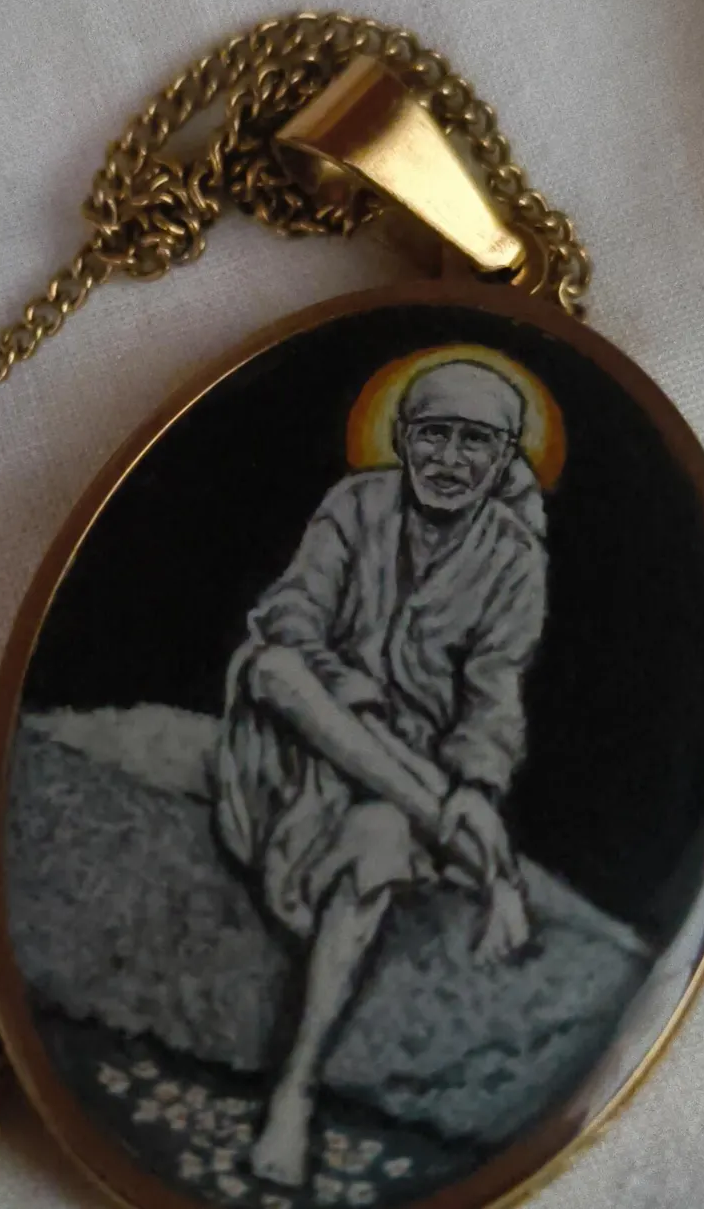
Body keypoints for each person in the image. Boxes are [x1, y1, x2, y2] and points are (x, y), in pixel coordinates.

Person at [213, 359, 548, 1186]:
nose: (449, 458)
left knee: (381, 839)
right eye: (433, 433)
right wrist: (351, 694)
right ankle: (486, 863)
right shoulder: (354, 504)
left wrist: (477, 782)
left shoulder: (514, 557)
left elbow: (494, 696)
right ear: (399, 436)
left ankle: (293, 1092)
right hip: (298, 741)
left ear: (505, 456)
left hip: (400, 770)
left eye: (475, 441)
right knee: (274, 669)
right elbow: (293, 613)